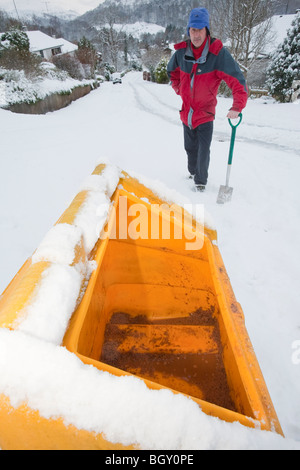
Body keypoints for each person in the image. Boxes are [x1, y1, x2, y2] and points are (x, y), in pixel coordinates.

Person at [167, 7, 248, 191]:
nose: (196, 35)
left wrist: (237, 106)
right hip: (187, 113)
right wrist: (179, 88)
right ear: (188, 31)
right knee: (190, 149)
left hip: (205, 113)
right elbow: (172, 72)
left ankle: (200, 184)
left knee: (203, 152)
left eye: (200, 29)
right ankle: (192, 172)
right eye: (193, 30)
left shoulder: (217, 53)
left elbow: (237, 80)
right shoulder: (181, 53)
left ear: (207, 30)